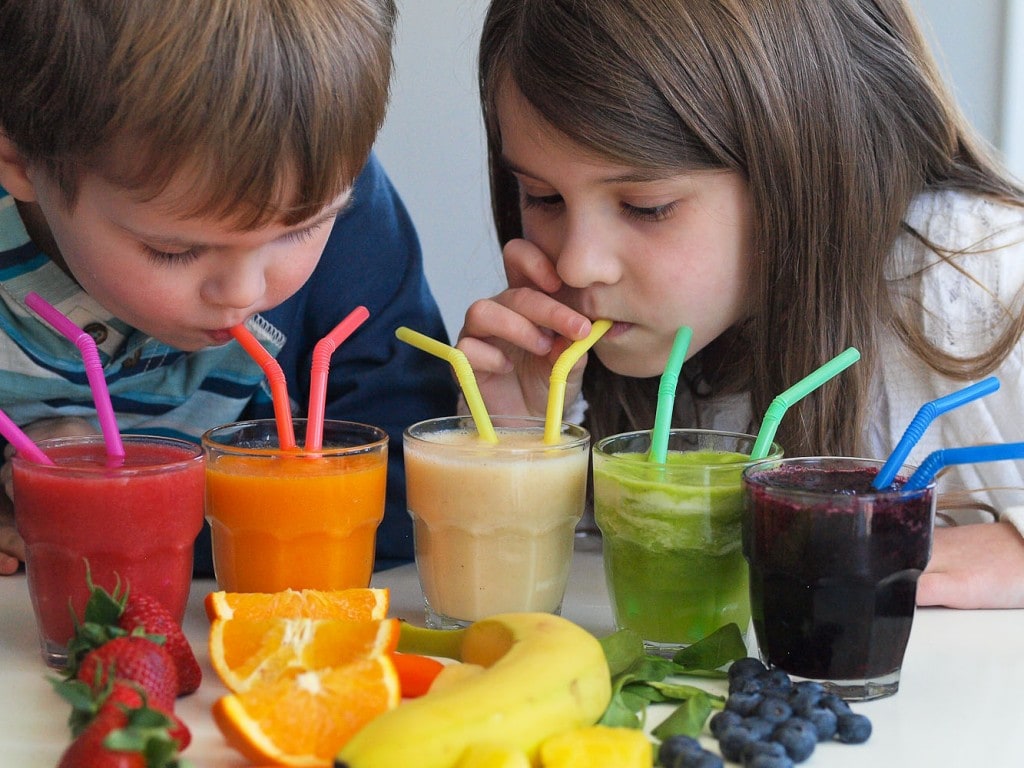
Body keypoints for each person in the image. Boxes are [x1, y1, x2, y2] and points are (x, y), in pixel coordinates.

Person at [457, 0, 1024, 609]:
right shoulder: (654, 348)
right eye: (543, 198)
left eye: (647, 206)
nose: (577, 263)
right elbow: (502, 608)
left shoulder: (981, 275)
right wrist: (517, 442)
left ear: (807, 166)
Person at [0, 0, 456, 577]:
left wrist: (137, 533)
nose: (243, 292)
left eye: (300, 230)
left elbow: (409, 495)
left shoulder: (336, 201)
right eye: (175, 250)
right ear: (19, 157)